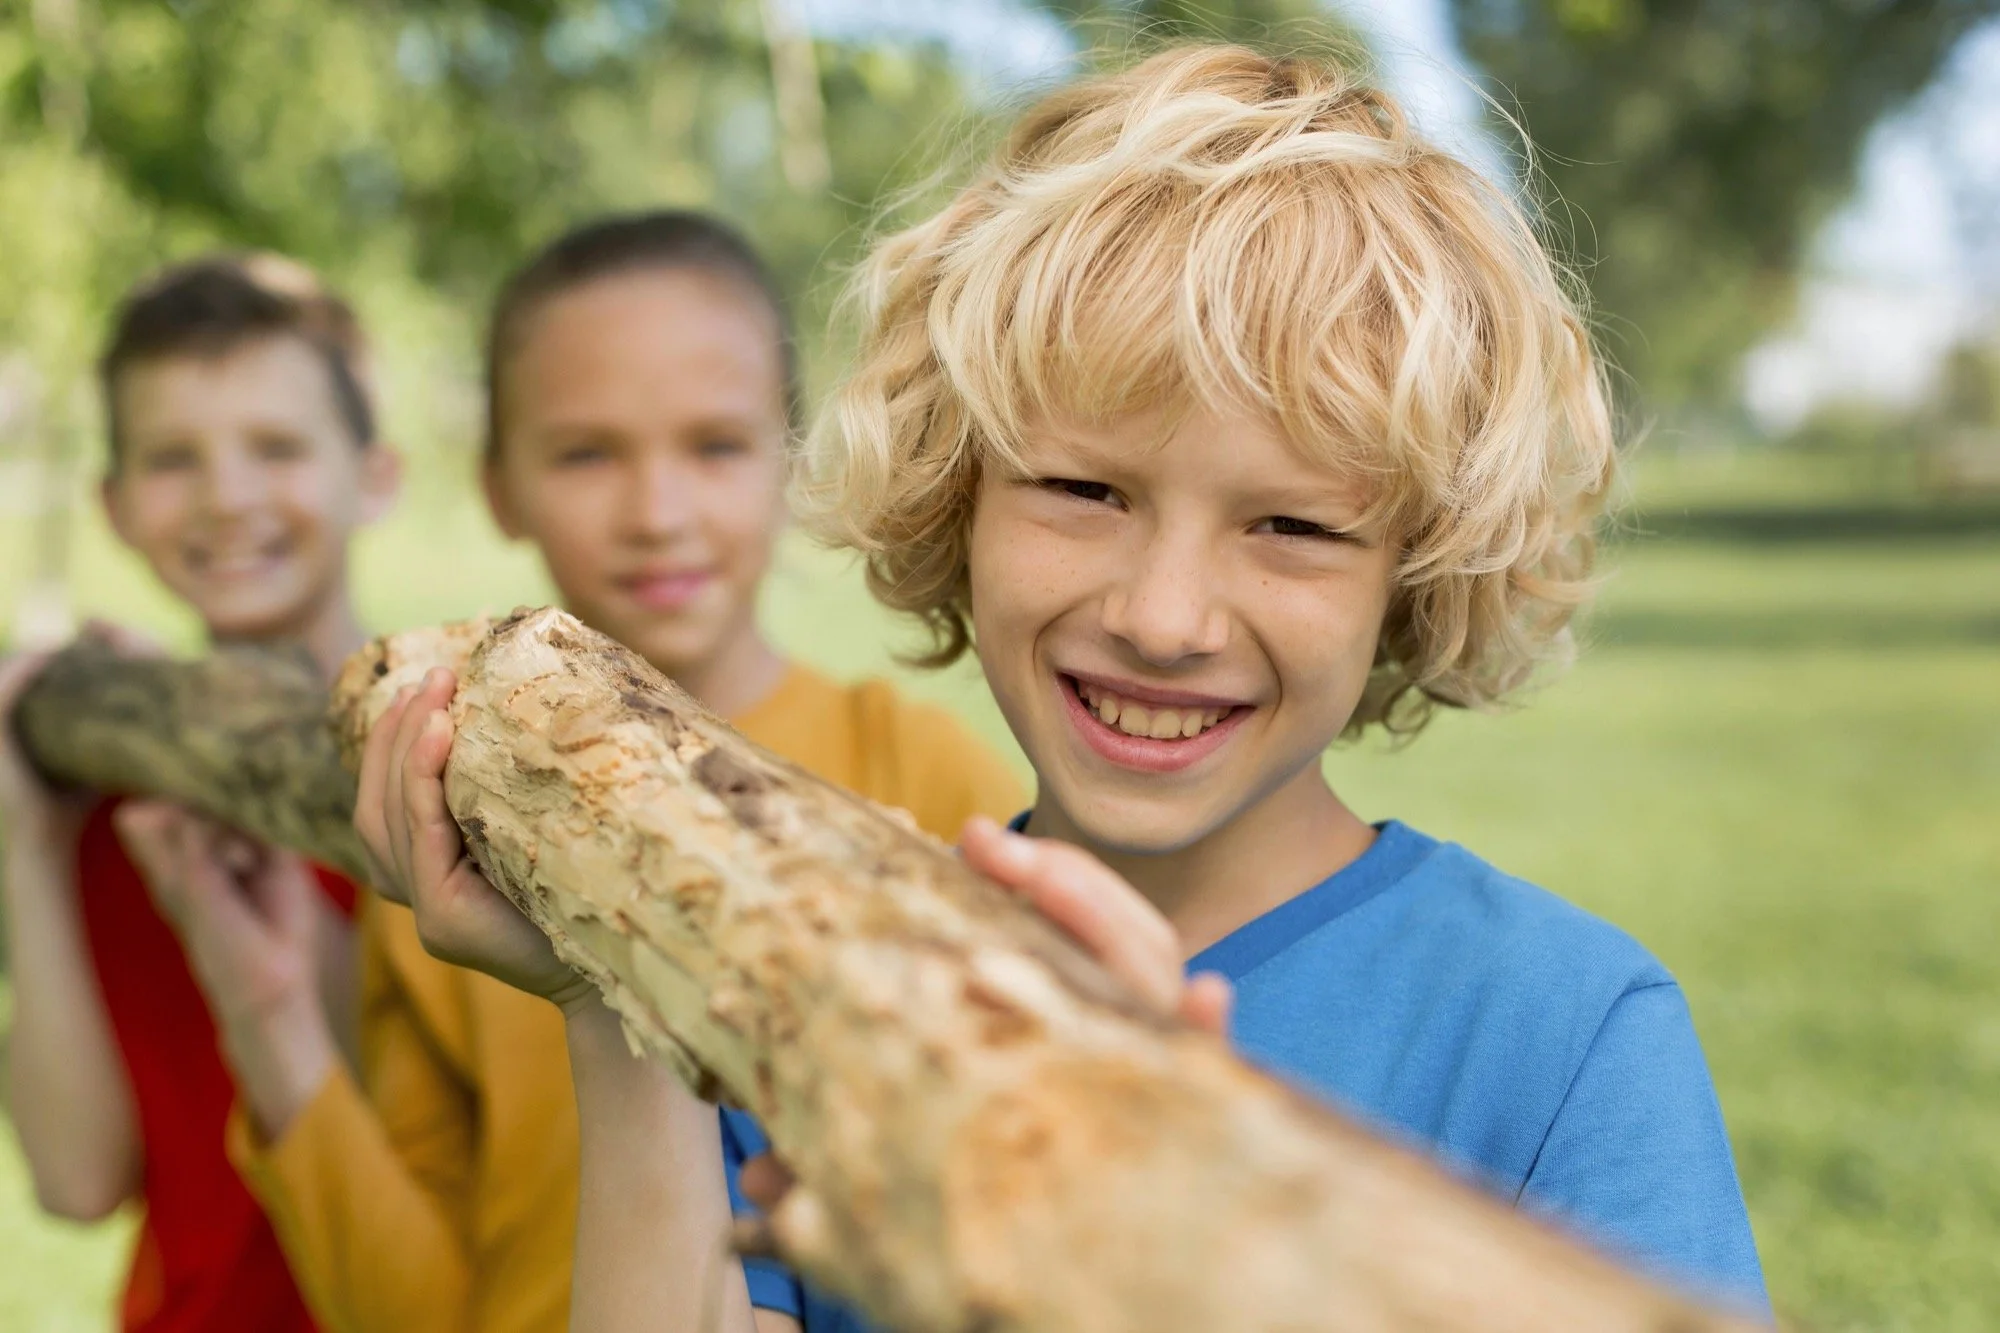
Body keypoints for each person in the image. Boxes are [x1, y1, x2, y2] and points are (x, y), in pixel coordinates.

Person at [355, 43, 1774, 1333]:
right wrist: (619, 992)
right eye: (1085, 490)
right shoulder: (832, 956)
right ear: (955, 493)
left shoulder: (1562, 1029)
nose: (1162, 616)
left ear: (1413, 569)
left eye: (1292, 526)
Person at [119, 211, 1026, 1333]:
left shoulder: (921, 773)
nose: (657, 514)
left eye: (714, 445)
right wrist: (267, 1011)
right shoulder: (435, 805)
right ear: (498, 485)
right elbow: (405, 1309)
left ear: (792, 456)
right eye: (587, 453)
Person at [0, 254, 400, 1333]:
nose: (228, 496)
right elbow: (77, 1179)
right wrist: (29, 842)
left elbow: (423, 1116)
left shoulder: (438, 771)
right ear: (117, 506)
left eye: (276, 448)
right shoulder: (112, 805)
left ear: (375, 474)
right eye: (174, 458)